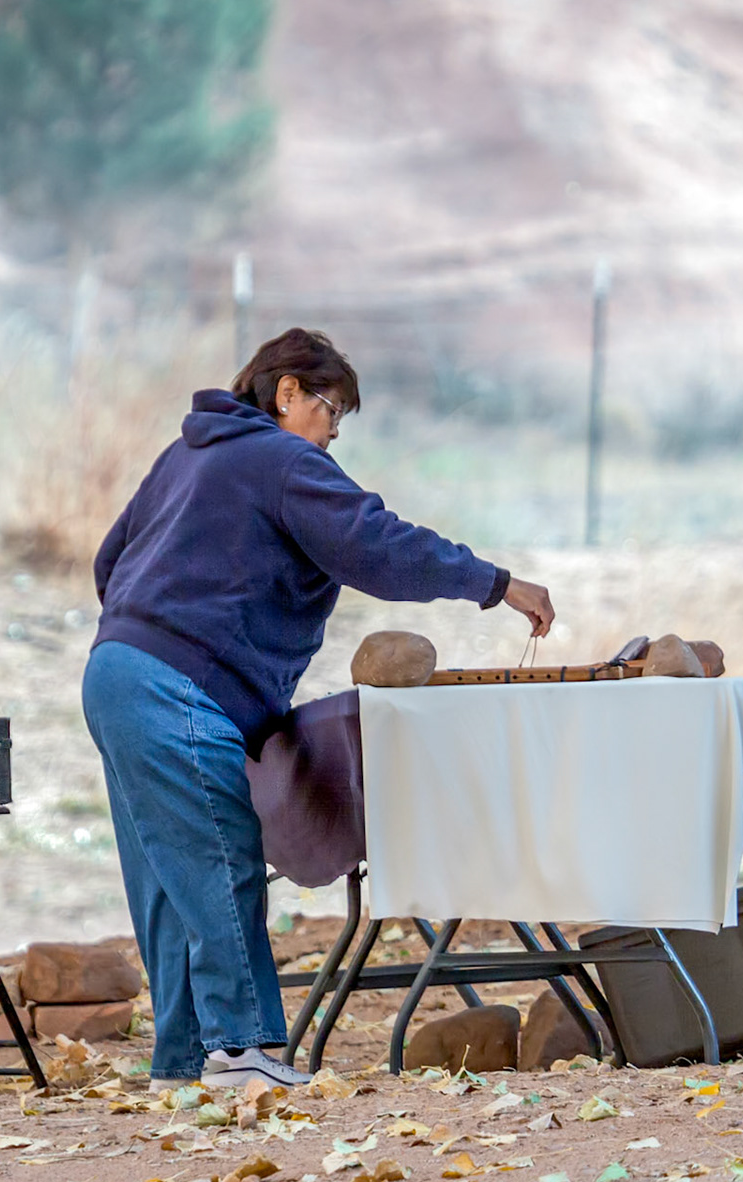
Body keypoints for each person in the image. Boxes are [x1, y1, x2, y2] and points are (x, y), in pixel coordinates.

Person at [81, 327, 554, 1090]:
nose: (334, 430)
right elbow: (378, 545)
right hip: (175, 681)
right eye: (330, 407)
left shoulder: (187, 456)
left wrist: (159, 619)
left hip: (114, 672)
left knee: (169, 875)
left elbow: (111, 561)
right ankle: (242, 1052)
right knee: (219, 853)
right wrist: (495, 584)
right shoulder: (282, 461)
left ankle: (183, 1061)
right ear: (287, 392)